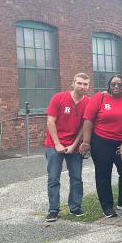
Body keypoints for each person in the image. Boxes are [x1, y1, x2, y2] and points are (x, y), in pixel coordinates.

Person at [81, 75, 122, 218]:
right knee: (103, 175)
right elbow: (88, 120)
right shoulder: (99, 98)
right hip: (101, 142)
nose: (116, 87)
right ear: (109, 85)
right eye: (113, 84)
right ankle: (107, 206)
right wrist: (86, 142)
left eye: (120, 84)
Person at [44, 73, 91, 222]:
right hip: (54, 145)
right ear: (73, 83)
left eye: (85, 84)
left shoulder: (88, 102)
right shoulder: (59, 98)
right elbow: (50, 122)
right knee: (53, 178)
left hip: (74, 146)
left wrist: (74, 145)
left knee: (76, 178)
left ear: (88, 86)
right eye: (79, 83)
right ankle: (53, 210)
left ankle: (75, 207)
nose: (82, 86)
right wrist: (57, 144)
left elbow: (84, 126)